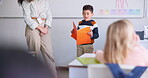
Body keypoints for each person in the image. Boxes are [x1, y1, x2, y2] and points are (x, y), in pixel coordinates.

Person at [18, 0, 58, 78]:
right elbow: (27, 18)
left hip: (44, 26)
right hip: (32, 26)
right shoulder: (26, 2)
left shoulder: (45, 1)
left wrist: (46, 27)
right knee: (34, 53)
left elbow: (49, 15)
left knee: (49, 53)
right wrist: (40, 28)